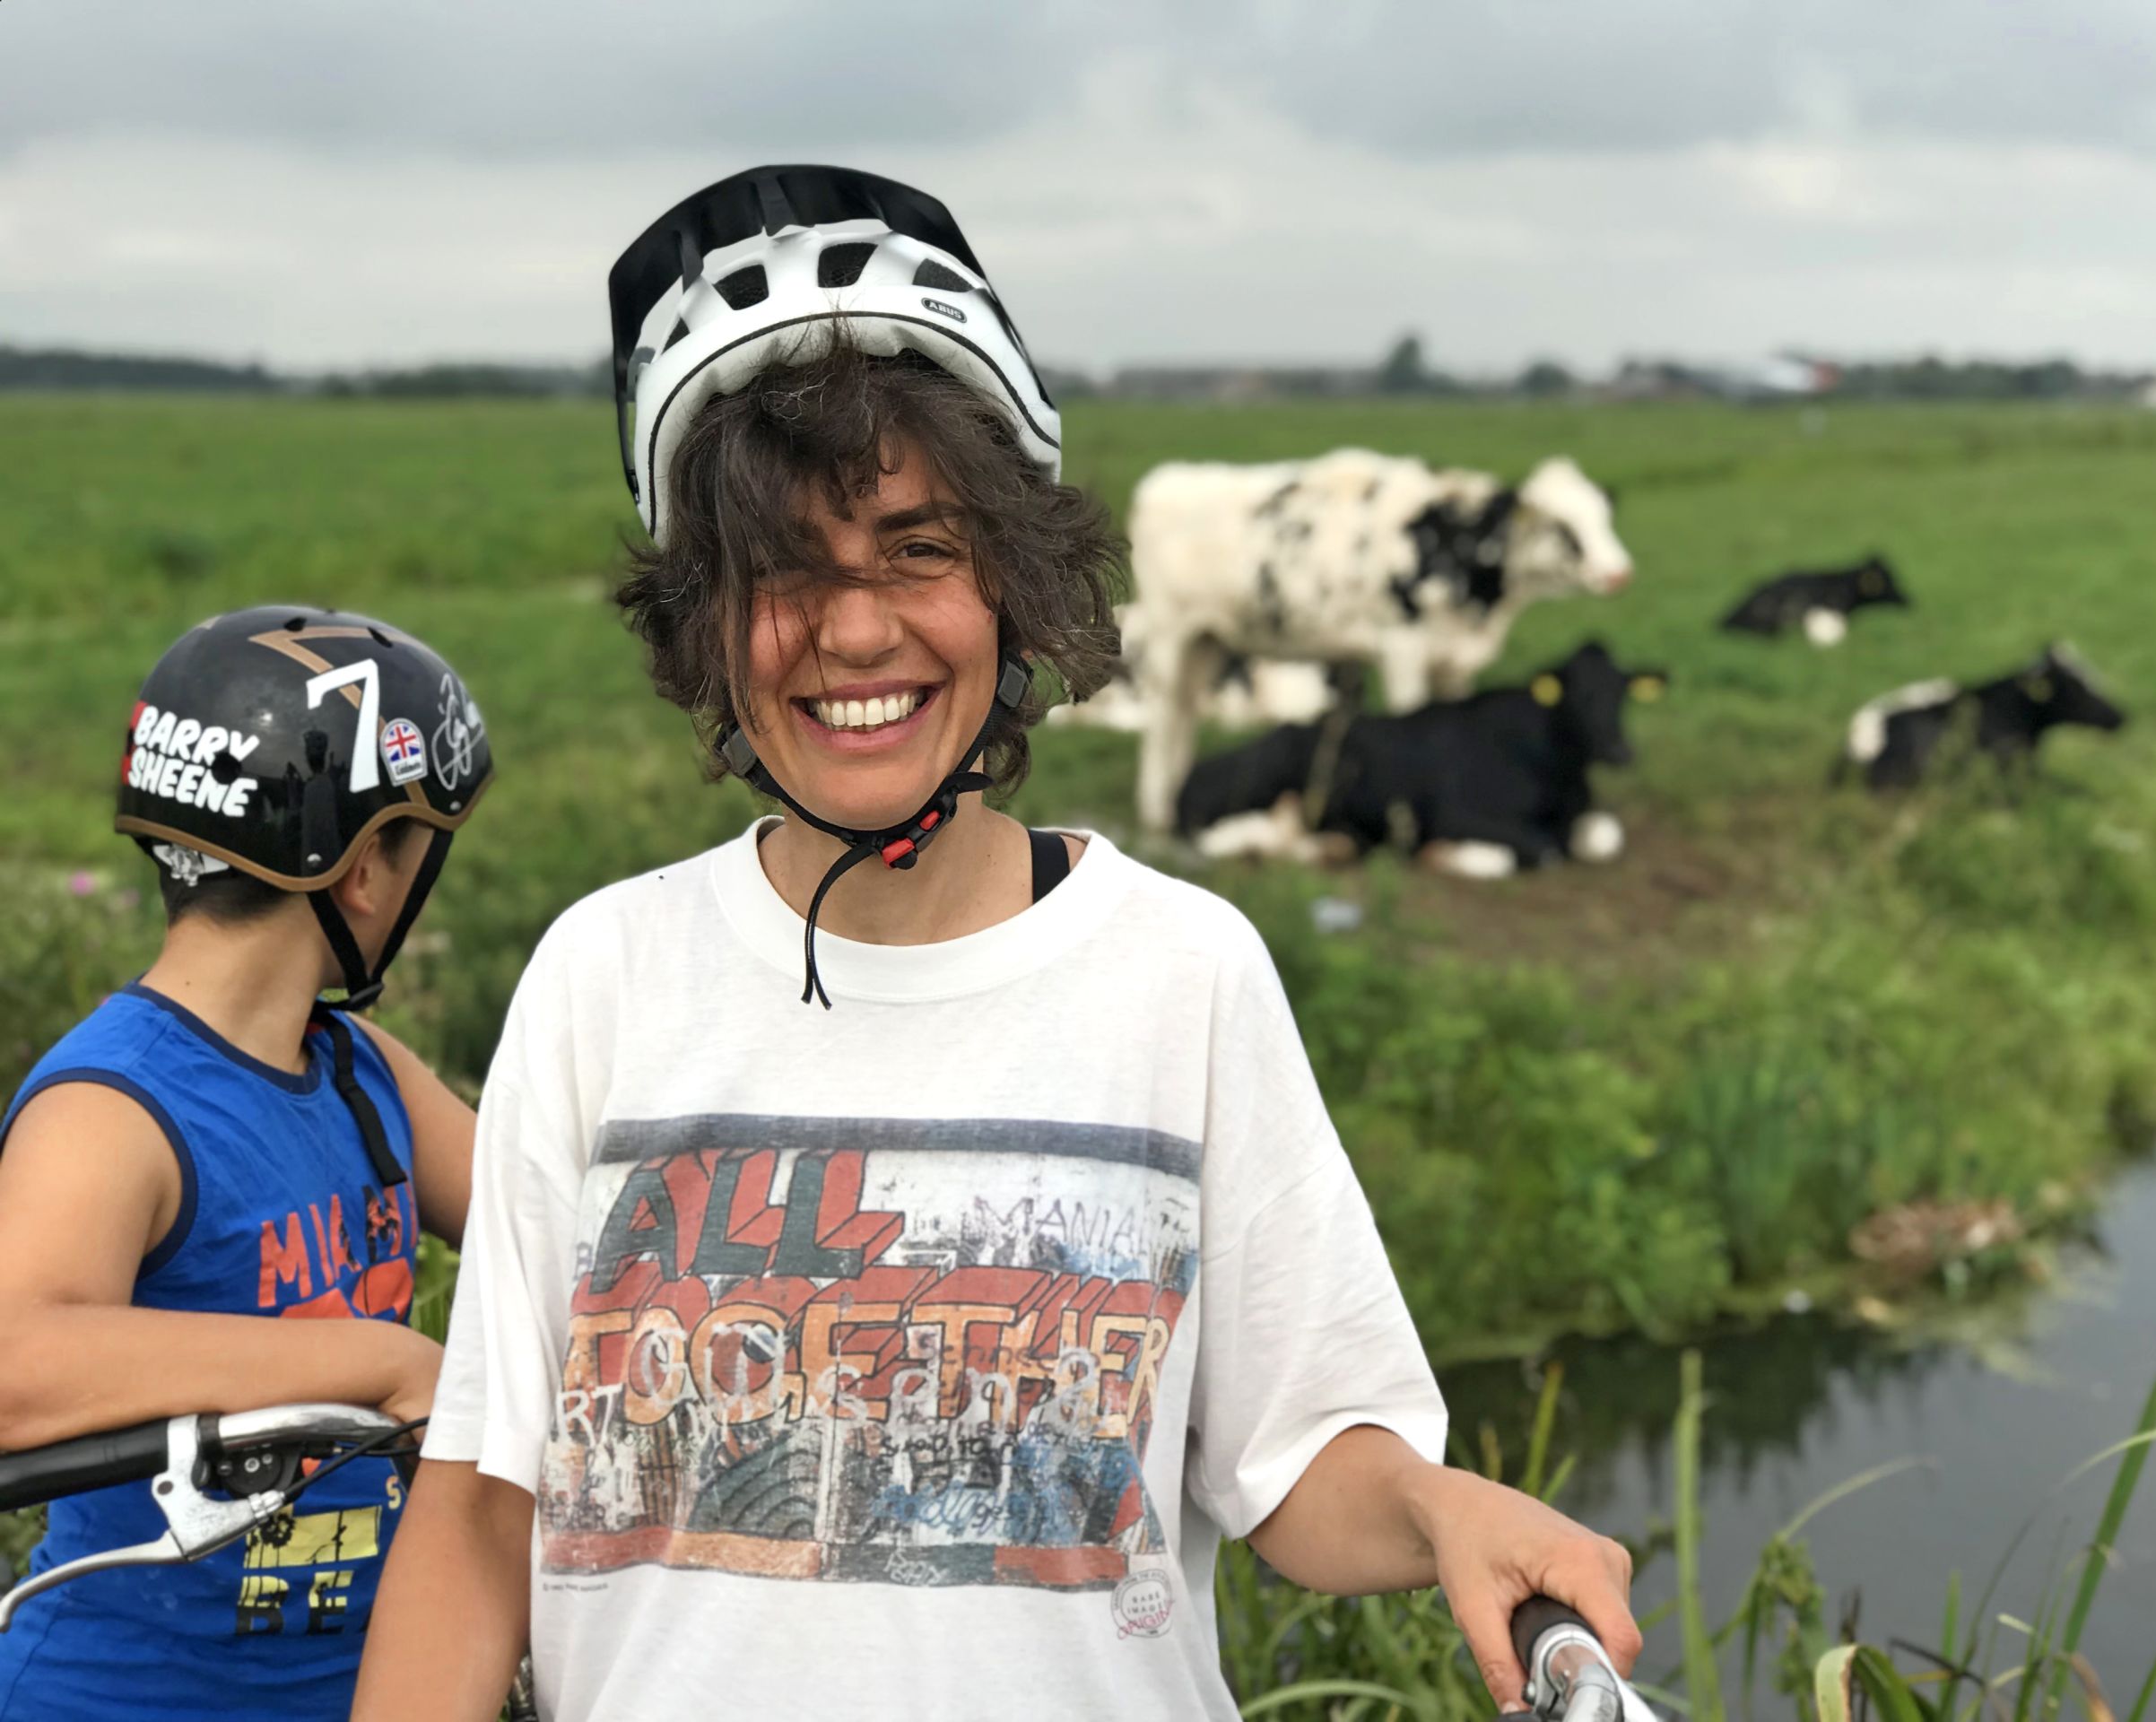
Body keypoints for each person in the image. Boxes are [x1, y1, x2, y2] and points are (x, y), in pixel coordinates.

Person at [354, 166, 1639, 1721]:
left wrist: (1447, 1511)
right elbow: (488, 1506)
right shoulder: (603, 979)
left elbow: (1301, 1462)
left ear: (1016, 580)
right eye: (783, 572)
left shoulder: (1182, 972)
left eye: (917, 550)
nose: (855, 633)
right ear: (703, 619)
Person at [0, 605, 494, 1719]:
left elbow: (553, 1232)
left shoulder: (359, 1068)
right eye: (423, 852)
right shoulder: (113, 1107)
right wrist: (374, 1363)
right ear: (365, 872)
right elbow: (14, 1362)